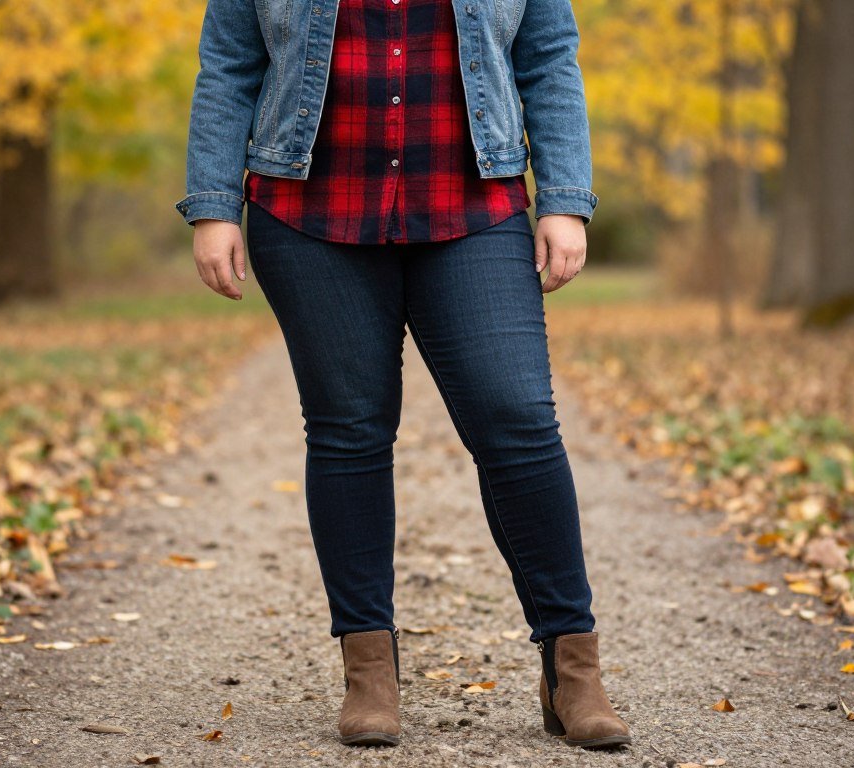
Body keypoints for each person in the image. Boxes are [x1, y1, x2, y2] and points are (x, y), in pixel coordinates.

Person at [175, 0, 633, 751]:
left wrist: (565, 198)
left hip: (473, 204)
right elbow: (228, 63)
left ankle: (571, 665)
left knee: (516, 416)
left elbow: (549, 58)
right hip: (308, 209)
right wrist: (214, 204)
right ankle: (369, 674)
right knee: (349, 429)